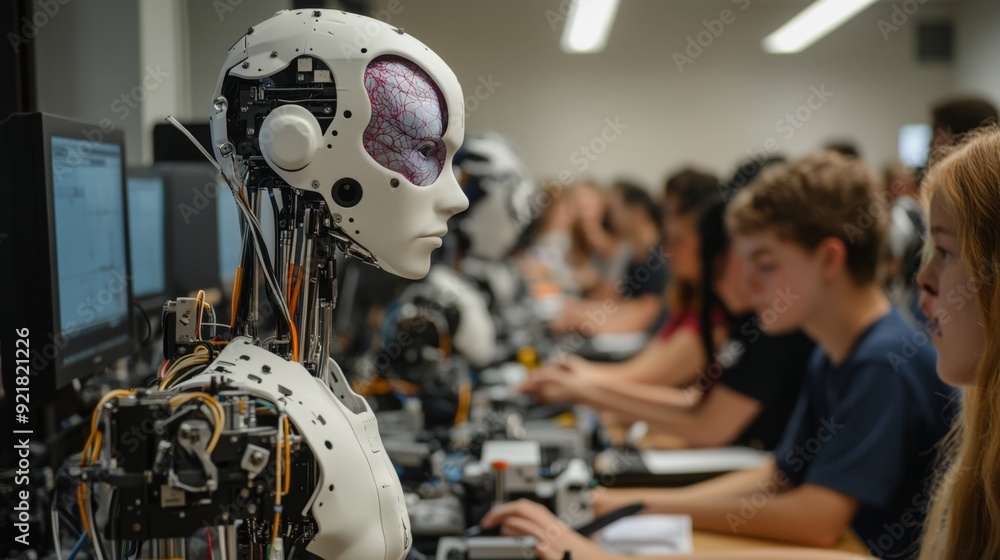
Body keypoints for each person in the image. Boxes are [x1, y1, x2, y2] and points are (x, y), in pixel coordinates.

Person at [485, 152, 957, 559]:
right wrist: (620, 504)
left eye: (767, 265)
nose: (749, 286)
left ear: (829, 260)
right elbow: (778, 476)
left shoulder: (882, 361)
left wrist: (642, 509)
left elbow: (818, 519)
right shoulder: (835, 352)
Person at [521, 196, 813, 450]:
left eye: (678, 240)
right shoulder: (723, 312)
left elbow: (707, 423)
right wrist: (583, 382)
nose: (667, 250)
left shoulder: (763, 324)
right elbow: (697, 401)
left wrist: (585, 387)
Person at [550, 182, 666, 336]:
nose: (611, 215)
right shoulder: (635, 255)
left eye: (615, 208)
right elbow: (622, 305)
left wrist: (584, 320)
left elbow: (645, 314)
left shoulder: (659, 257)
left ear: (635, 211)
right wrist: (579, 311)